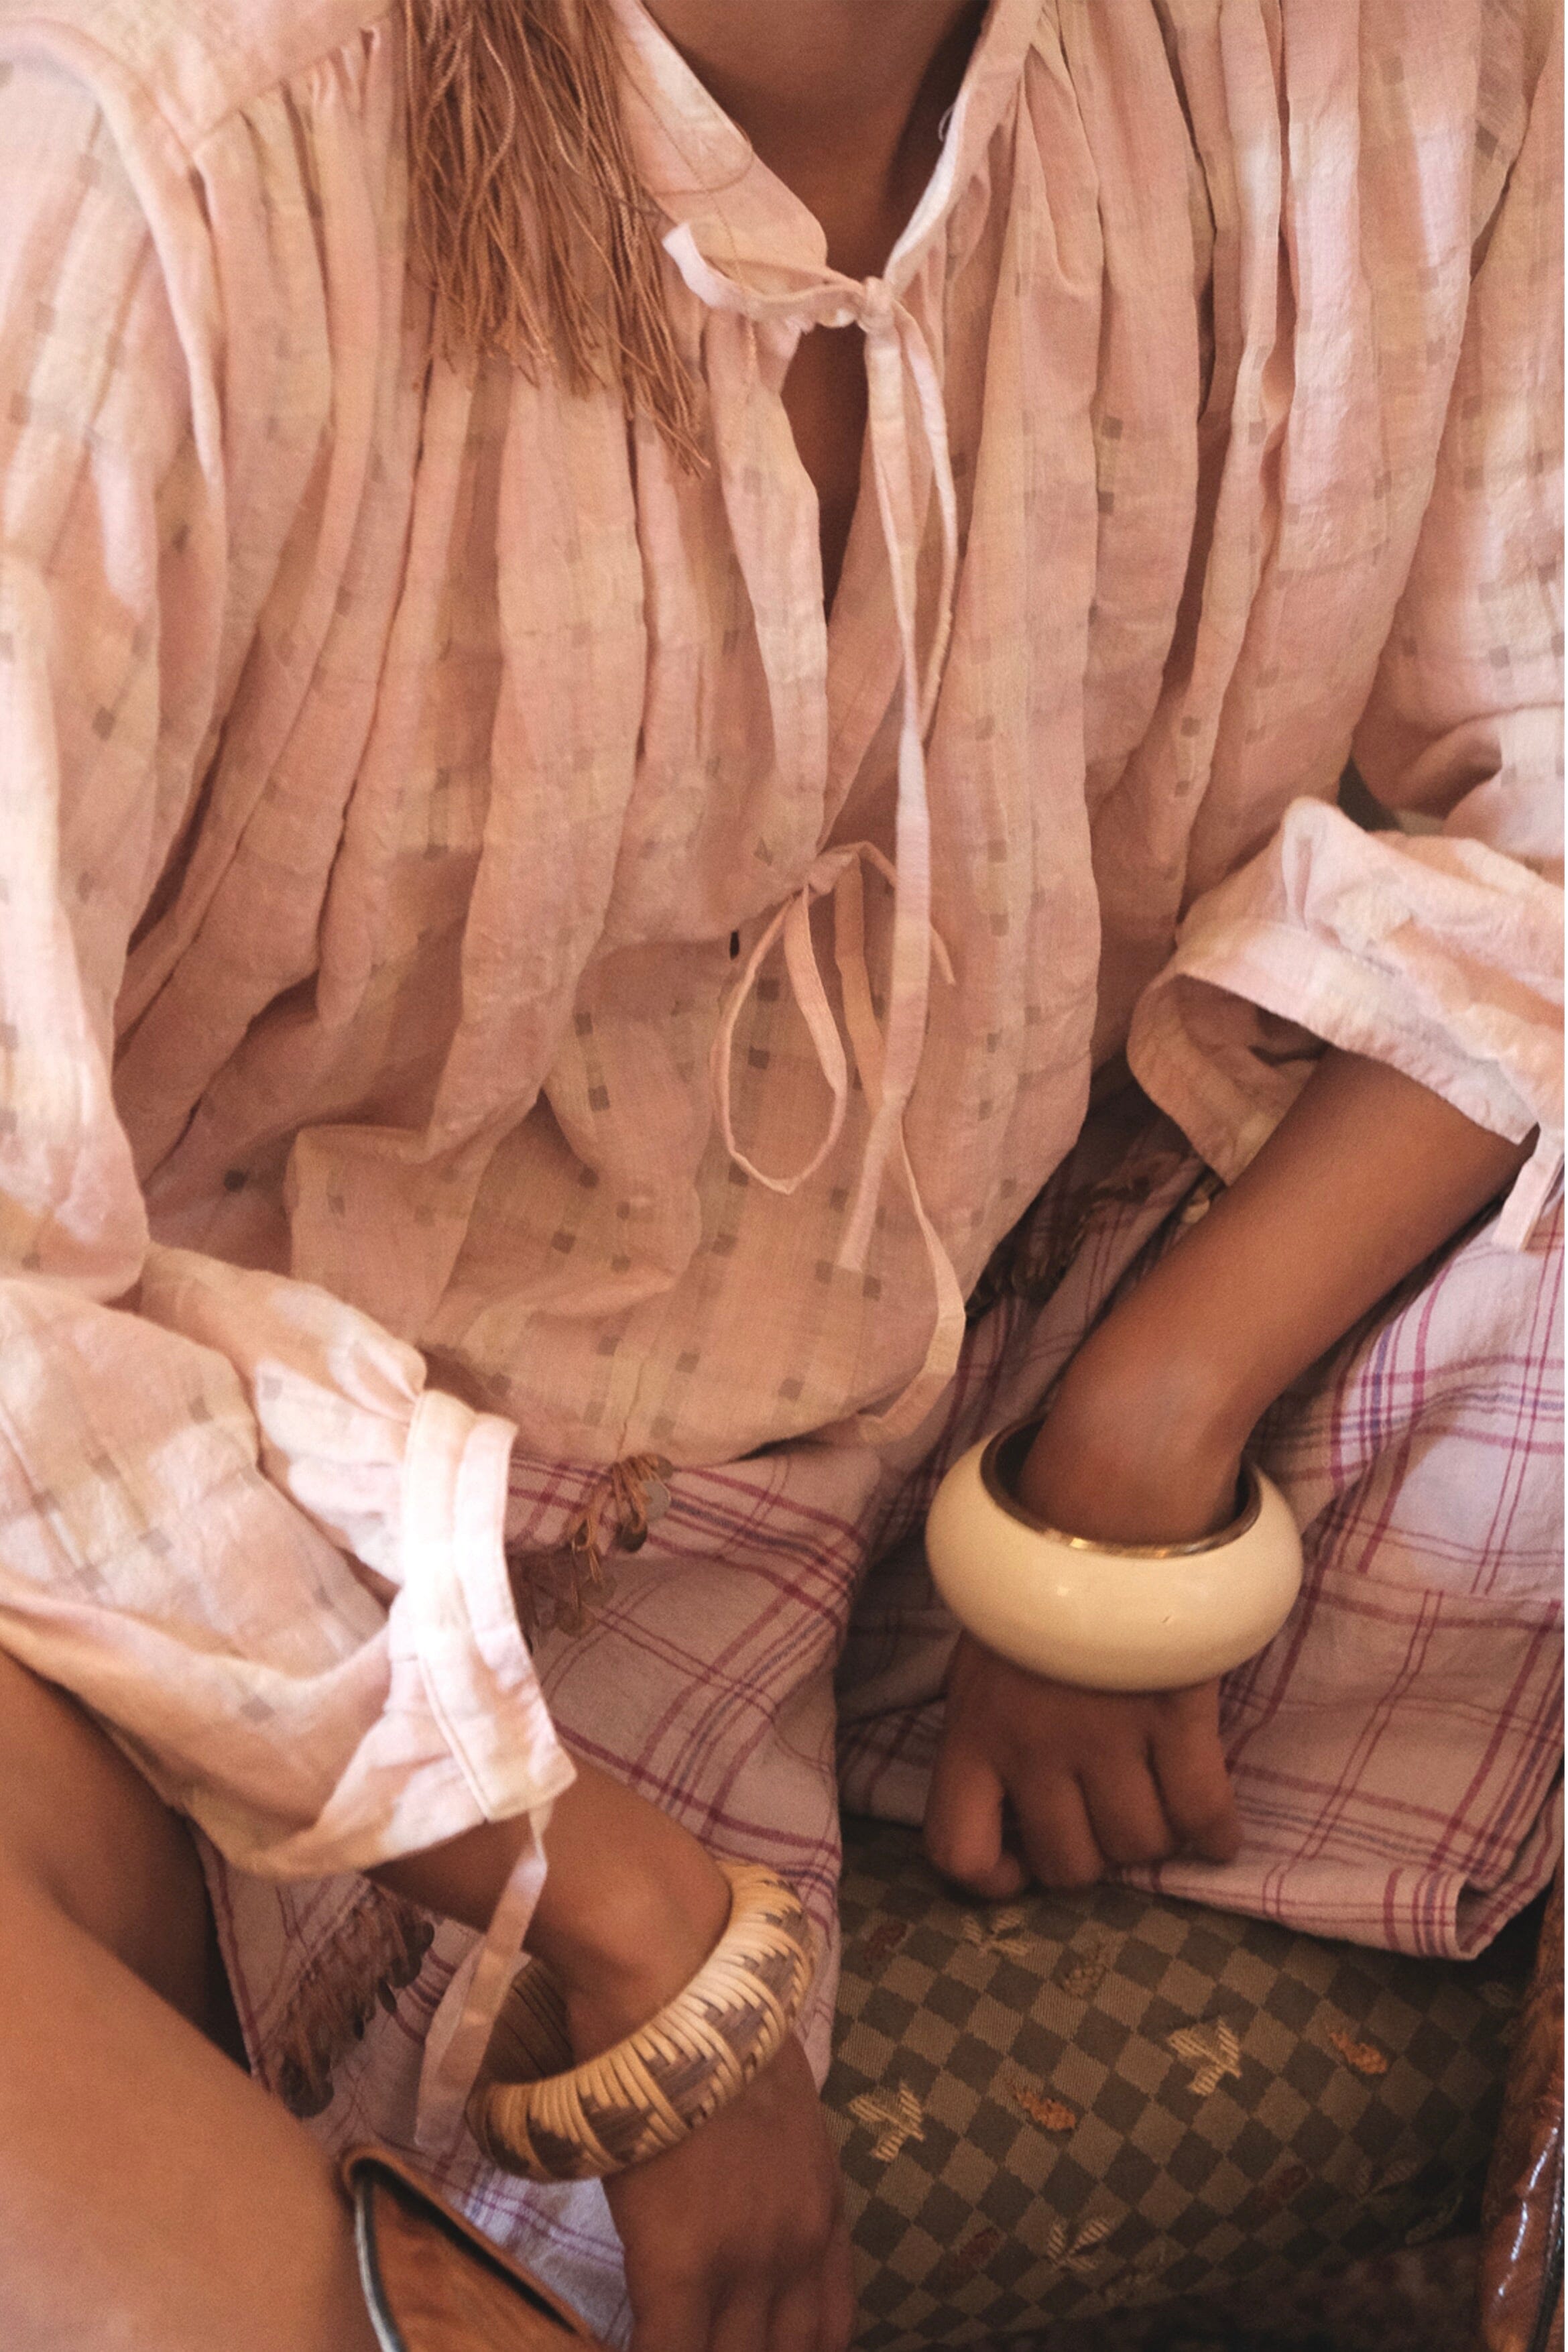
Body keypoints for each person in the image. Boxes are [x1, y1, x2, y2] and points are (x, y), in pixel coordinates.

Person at [0, 0, 1559, 2345]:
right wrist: (600, 1893)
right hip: (286, 1523)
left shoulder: (1384, 53)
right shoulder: (157, 150)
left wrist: (1144, 1426)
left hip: (1002, 1332)